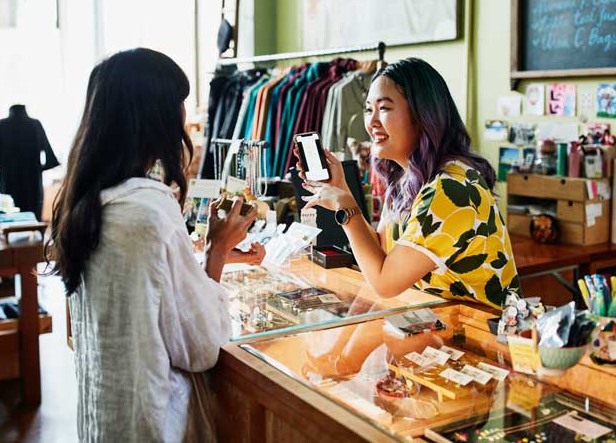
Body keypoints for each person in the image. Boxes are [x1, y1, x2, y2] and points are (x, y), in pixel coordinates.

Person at [48, 48, 263, 443]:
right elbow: (202, 345)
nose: (185, 116)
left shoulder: (85, 201)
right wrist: (216, 250)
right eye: (179, 103)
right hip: (155, 424)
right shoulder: (149, 209)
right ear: (155, 116)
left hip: (106, 418)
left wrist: (211, 256)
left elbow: (144, 297)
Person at [297, 57, 521, 310]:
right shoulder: (407, 178)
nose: (371, 123)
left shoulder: (449, 190)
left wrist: (346, 208)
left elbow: (385, 283)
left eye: (385, 108)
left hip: (485, 334)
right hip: (440, 327)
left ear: (422, 115)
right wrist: (342, 190)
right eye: (369, 109)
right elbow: (382, 254)